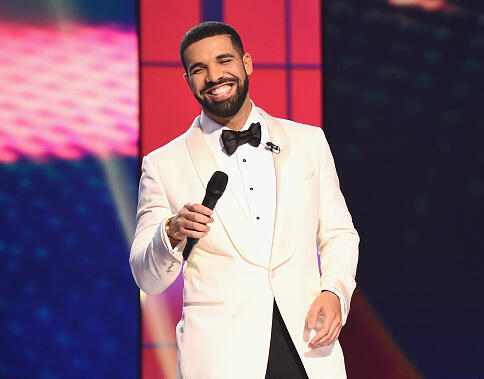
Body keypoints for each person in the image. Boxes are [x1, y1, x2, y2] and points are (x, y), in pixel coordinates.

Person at [130, 21, 359, 379]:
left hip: (308, 346)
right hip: (221, 359)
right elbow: (147, 277)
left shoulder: (309, 142)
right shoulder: (162, 164)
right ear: (188, 80)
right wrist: (171, 232)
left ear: (246, 63)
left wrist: (334, 291)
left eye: (224, 61)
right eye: (199, 69)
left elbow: (340, 234)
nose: (214, 76)